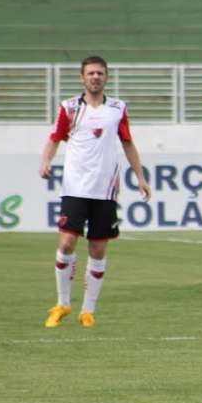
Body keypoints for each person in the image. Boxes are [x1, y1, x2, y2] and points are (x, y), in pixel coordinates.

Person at [39, 55, 151, 328]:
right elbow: (55, 137)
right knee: (66, 243)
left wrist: (140, 176)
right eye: (90, 73)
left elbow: (127, 142)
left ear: (106, 77)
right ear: (82, 77)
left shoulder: (117, 108)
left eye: (100, 73)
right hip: (75, 187)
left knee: (98, 249)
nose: (95, 77)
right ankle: (62, 303)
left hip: (105, 189)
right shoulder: (69, 108)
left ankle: (87, 310)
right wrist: (45, 161)